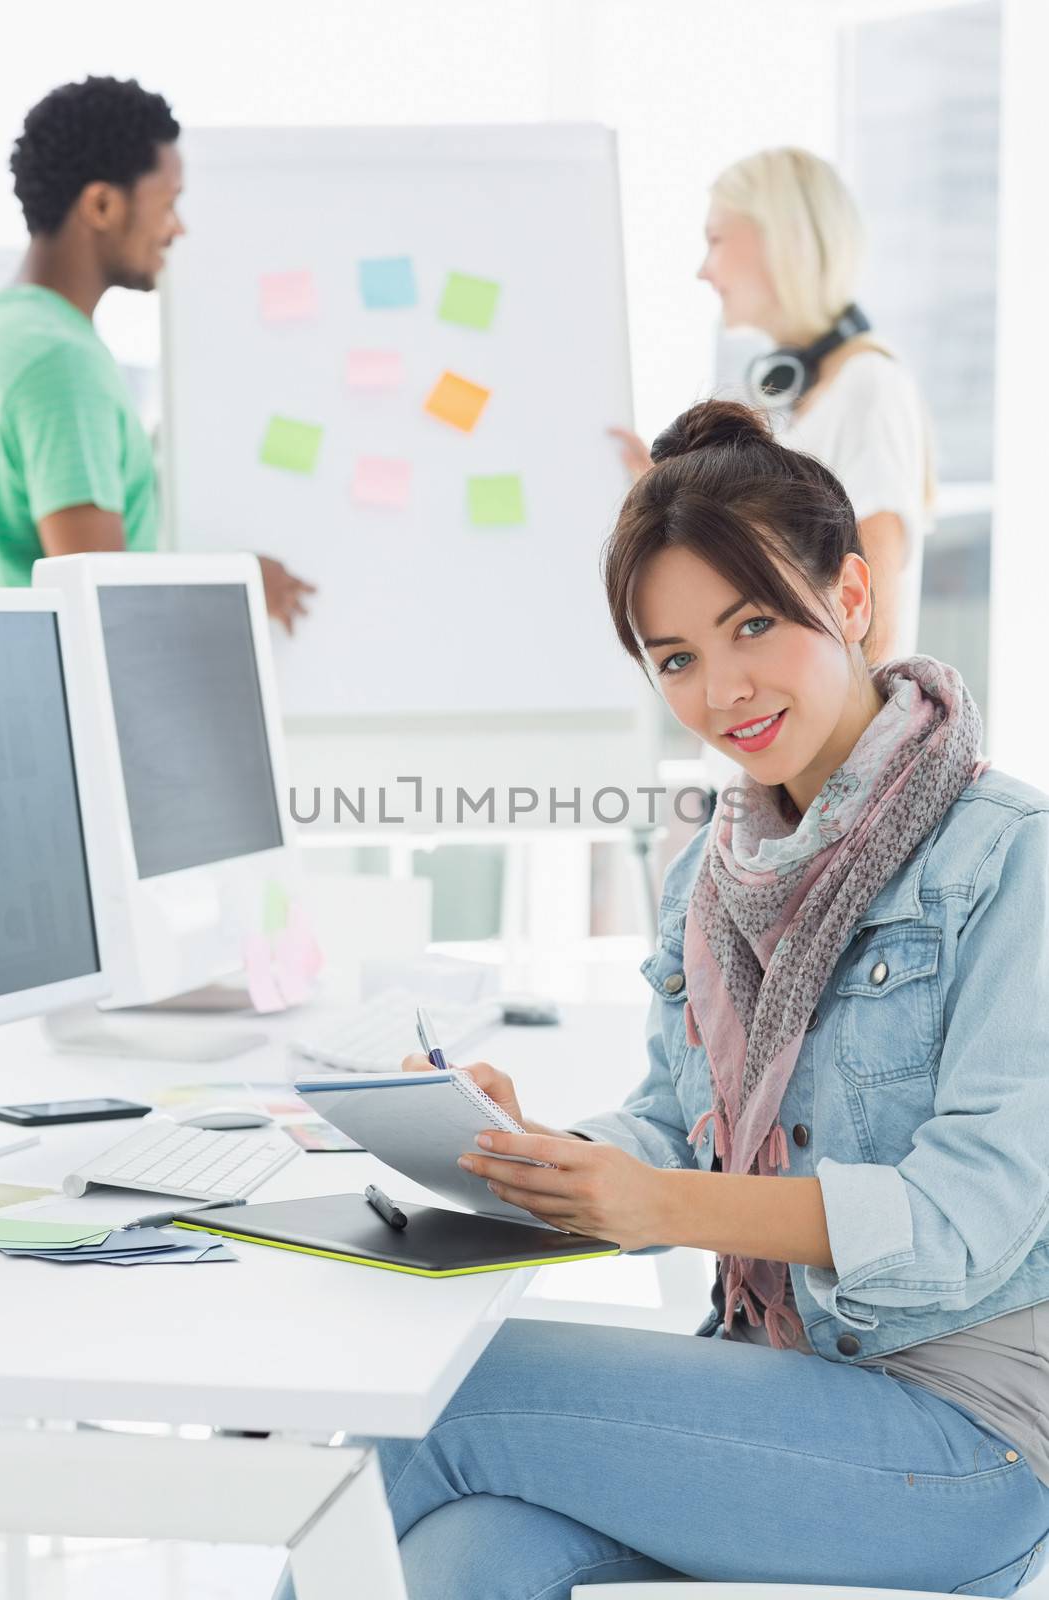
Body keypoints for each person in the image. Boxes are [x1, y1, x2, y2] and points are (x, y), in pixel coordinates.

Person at [320, 402, 1048, 1600]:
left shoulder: (1007, 858)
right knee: (462, 1561)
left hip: (968, 1436)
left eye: (751, 623)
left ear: (851, 596)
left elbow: (965, 1214)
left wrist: (659, 1203)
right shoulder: (708, 876)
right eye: (675, 658)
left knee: (439, 1403)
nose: (721, 689)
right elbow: (667, 1124)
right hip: (779, 1380)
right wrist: (528, 1149)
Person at [0, 76, 314, 632]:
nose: (177, 228)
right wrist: (239, 585)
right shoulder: (61, 364)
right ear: (103, 204)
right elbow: (97, 608)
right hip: (61, 716)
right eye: (168, 203)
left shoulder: (3, 332)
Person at [611, 148, 929, 664]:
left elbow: (873, 632)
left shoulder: (868, 387)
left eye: (715, 240)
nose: (703, 271)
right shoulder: (806, 400)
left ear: (781, 239)